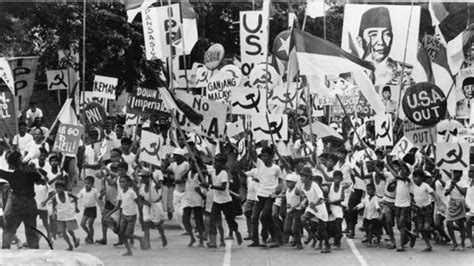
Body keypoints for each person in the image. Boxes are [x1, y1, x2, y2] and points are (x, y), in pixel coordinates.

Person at [356, 6, 413, 86]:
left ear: (392, 38)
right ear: (360, 41)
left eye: (386, 34)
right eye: (373, 35)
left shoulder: (406, 71)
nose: (381, 42)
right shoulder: (350, 71)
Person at [0, 151, 44, 249]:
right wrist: (35, 169)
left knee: (9, 229)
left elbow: (1, 172)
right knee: (31, 230)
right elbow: (43, 181)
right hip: (30, 204)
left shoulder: (11, 176)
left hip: (16, 204)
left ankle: (5, 250)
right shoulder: (31, 174)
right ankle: (34, 252)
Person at [248, 147, 283, 248]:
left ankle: (264, 238)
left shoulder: (276, 168)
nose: (263, 157)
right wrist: (248, 140)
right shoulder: (260, 164)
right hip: (260, 195)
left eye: (265, 155)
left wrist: (279, 187)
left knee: (264, 217)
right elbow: (251, 153)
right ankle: (256, 240)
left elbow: (281, 181)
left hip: (270, 196)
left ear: (272, 157)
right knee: (254, 218)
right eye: (262, 155)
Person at [104, 175, 145, 256]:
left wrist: (141, 216)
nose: (121, 184)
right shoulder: (120, 193)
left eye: (123, 182)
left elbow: (139, 204)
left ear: (128, 183)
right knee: (121, 234)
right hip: (123, 215)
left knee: (128, 234)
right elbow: (117, 206)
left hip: (131, 216)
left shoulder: (131, 192)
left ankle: (140, 238)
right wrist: (108, 214)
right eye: (120, 182)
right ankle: (129, 251)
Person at [207, 153, 242, 248]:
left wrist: (211, 186)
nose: (215, 163)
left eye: (217, 162)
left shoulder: (224, 173)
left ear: (222, 164)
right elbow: (203, 169)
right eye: (215, 161)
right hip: (216, 201)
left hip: (226, 201)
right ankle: (213, 241)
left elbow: (223, 187)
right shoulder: (213, 171)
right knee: (212, 221)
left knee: (230, 220)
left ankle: (236, 231)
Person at [300, 167, 330, 253]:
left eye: (303, 176)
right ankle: (311, 235)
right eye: (301, 176)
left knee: (322, 229)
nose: (301, 178)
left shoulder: (314, 185)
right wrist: (304, 201)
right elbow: (306, 196)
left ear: (309, 177)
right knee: (303, 219)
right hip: (311, 207)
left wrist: (315, 203)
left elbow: (321, 197)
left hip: (320, 208)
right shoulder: (303, 186)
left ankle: (327, 246)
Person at [43, 181, 80, 251]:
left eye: (60, 188)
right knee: (63, 232)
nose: (58, 189)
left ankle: (75, 238)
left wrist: (76, 207)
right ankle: (70, 245)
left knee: (70, 230)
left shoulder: (68, 194)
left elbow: (76, 198)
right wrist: (54, 214)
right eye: (57, 188)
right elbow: (54, 206)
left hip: (69, 214)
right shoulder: (55, 197)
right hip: (60, 216)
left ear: (63, 188)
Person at [410, 169, 442, 252]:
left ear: (421, 178)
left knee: (426, 228)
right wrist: (413, 204)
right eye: (414, 177)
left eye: (416, 177)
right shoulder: (413, 186)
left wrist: (438, 204)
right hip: (419, 209)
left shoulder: (425, 185)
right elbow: (412, 196)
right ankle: (428, 245)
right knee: (420, 229)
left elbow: (434, 194)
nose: (414, 179)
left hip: (427, 209)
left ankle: (434, 232)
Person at [138, 170, 167, 249]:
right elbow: (140, 198)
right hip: (147, 207)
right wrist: (145, 202)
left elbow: (159, 186)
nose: (143, 179)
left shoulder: (153, 185)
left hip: (156, 206)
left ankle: (163, 236)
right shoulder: (142, 188)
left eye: (144, 178)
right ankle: (147, 243)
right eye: (142, 178)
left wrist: (153, 178)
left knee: (157, 224)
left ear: (148, 178)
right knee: (146, 225)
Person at [445, 170, 468, 251]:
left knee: (461, 223)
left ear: (461, 174)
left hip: (460, 202)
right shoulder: (448, 182)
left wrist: (456, 185)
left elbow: (464, 192)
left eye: (457, 172)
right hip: (452, 203)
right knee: (448, 223)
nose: (454, 174)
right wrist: (451, 187)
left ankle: (462, 243)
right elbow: (446, 193)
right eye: (454, 172)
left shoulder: (463, 182)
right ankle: (454, 243)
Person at [282, 173, 303, 249]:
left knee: (294, 228)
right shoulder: (287, 190)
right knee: (286, 229)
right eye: (287, 181)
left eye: (290, 182)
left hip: (296, 211)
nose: (288, 183)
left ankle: (298, 242)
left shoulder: (296, 190)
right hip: (289, 211)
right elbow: (285, 195)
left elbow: (303, 197)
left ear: (294, 183)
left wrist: (298, 205)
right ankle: (296, 238)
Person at [77, 176, 100, 244]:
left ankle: (91, 238)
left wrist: (102, 194)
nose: (87, 185)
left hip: (93, 209)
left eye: (89, 183)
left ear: (92, 184)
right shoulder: (82, 191)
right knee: (82, 224)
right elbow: (77, 197)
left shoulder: (95, 191)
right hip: (86, 209)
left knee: (90, 224)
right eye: (85, 183)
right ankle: (89, 234)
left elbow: (99, 197)